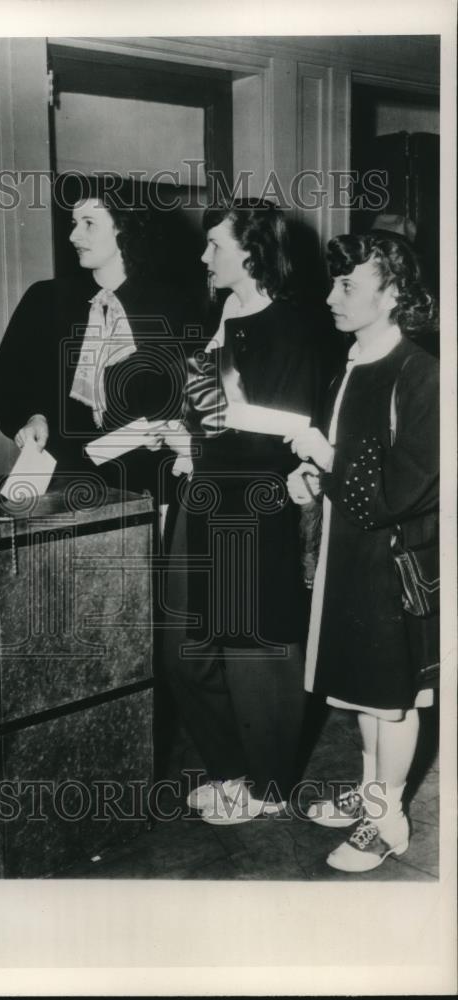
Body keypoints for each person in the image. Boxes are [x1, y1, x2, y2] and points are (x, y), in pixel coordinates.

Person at [161, 199, 324, 824]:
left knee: (256, 653)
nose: (204, 256)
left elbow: (285, 432)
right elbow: (205, 405)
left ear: (252, 255)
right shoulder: (219, 312)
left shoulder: (295, 327)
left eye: (216, 246)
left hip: (253, 505)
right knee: (184, 651)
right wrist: (180, 431)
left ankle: (268, 784)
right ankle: (231, 768)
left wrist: (203, 437)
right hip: (199, 496)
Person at [286, 233, 438, 872]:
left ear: (394, 294)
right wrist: (310, 482)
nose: (330, 297)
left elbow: (407, 482)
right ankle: (374, 793)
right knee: (362, 693)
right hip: (345, 554)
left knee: (390, 699)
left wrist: (328, 458)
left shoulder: (421, 373)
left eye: (347, 285)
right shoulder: (351, 360)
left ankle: (389, 820)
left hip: (390, 561)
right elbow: (345, 458)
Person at [0, 176, 192, 502]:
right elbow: (8, 379)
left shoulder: (174, 308)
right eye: (73, 223)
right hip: (64, 485)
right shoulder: (46, 299)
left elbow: (194, 395)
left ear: (123, 227)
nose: (73, 235)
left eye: (88, 224)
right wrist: (31, 416)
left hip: (150, 489)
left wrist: (171, 426)